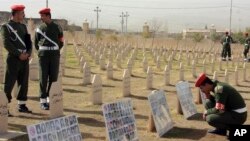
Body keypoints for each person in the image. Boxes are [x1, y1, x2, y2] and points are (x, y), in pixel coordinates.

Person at [0, 4, 32, 115]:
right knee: (9, 83)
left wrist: (28, 53)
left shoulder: (23, 26)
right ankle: (4, 105)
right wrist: (19, 54)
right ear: (17, 14)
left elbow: (29, 42)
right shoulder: (6, 27)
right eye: (22, 13)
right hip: (14, 58)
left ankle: (22, 105)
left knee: (23, 82)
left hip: (25, 58)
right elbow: (6, 43)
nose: (24, 15)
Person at [34, 8, 64, 110]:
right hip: (43, 56)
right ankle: (43, 100)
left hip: (54, 55)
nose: (41, 18)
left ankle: (50, 98)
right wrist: (43, 51)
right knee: (43, 77)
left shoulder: (57, 27)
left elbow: (61, 41)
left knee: (53, 77)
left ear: (48, 16)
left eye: (42, 16)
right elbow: (36, 42)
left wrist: (54, 50)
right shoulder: (39, 28)